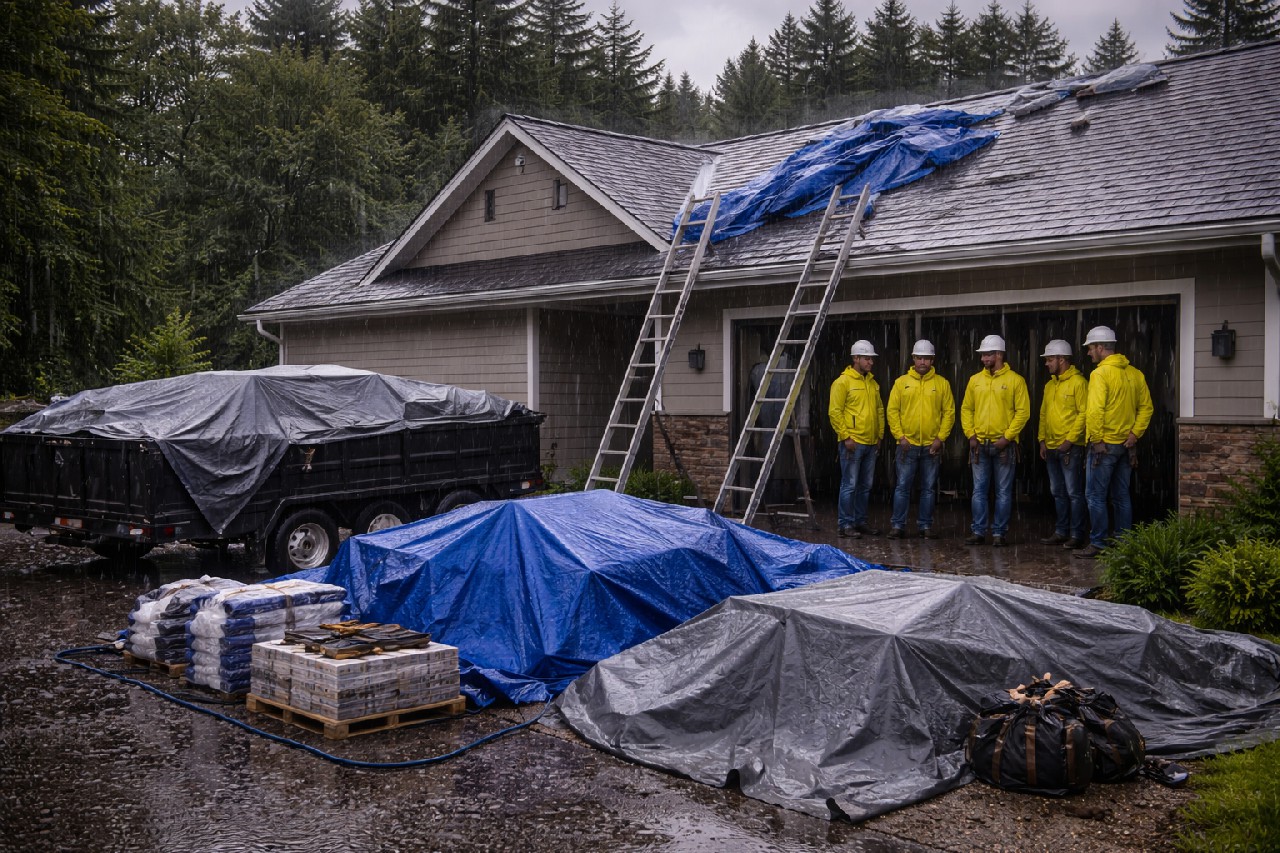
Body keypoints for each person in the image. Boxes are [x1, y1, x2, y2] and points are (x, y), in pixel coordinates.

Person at [1076, 326, 1154, 560]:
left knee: (1095, 496)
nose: (1089, 353)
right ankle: (1124, 543)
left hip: (1104, 446)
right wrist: (1134, 435)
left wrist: (1097, 439)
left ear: (1100, 348)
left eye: (1090, 348)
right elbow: (1146, 408)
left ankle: (1098, 543)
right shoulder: (1135, 373)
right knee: (1121, 495)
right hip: (1126, 446)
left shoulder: (1100, 374)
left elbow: (1095, 411)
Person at [960, 334, 1030, 546]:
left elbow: (1023, 412)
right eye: (982, 355)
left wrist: (1007, 438)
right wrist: (971, 435)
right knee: (979, 490)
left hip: (1004, 448)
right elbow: (966, 409)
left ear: (999, 354)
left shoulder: (1016, 381)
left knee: (1002, 492)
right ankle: (979, 532)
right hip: (979, 445)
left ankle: (999, 533)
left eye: (987, 355)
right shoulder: (975, 381)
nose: (983, 359)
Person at [885, 339, 954, 539]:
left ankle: (925, 526)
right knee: (902, 487)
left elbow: (948, 413)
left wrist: (940, 438)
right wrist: (900, 436)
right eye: (919, 358)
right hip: (907, 446)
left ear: (932, 360)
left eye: (926, 358)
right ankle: (898, 526)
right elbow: (892, 412)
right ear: (913, 358)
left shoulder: (942, 384)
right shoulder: (901, 383)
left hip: (932, 446)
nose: (922, 362)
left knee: (928, 489)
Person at [828, 340, 884, 538]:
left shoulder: (872, 383)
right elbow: (834, 412)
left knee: (865, 486)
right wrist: (845, 436)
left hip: (870, 443)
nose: (870, 362)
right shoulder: (842, 382)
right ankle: (845, 525)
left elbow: (879, 410)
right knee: (849, 484)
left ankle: (860, 522)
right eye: (867, 358)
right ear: (855, 359)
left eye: (871, 359)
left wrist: (879, 435)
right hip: (853, 442)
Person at [1037, 340, 1088, 549]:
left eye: (1050, 359)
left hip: (1070, 448)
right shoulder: (1050, 385)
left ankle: (1076, 535)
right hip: (1050, 447)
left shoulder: (1078, 383)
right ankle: (1061, 531)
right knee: (1058, 491)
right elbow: (1043, 414)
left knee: (1074, 492)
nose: (1047, 364)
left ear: (1062, 359)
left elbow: (1084, 414)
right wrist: (1041, 440)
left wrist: (1069, 440)